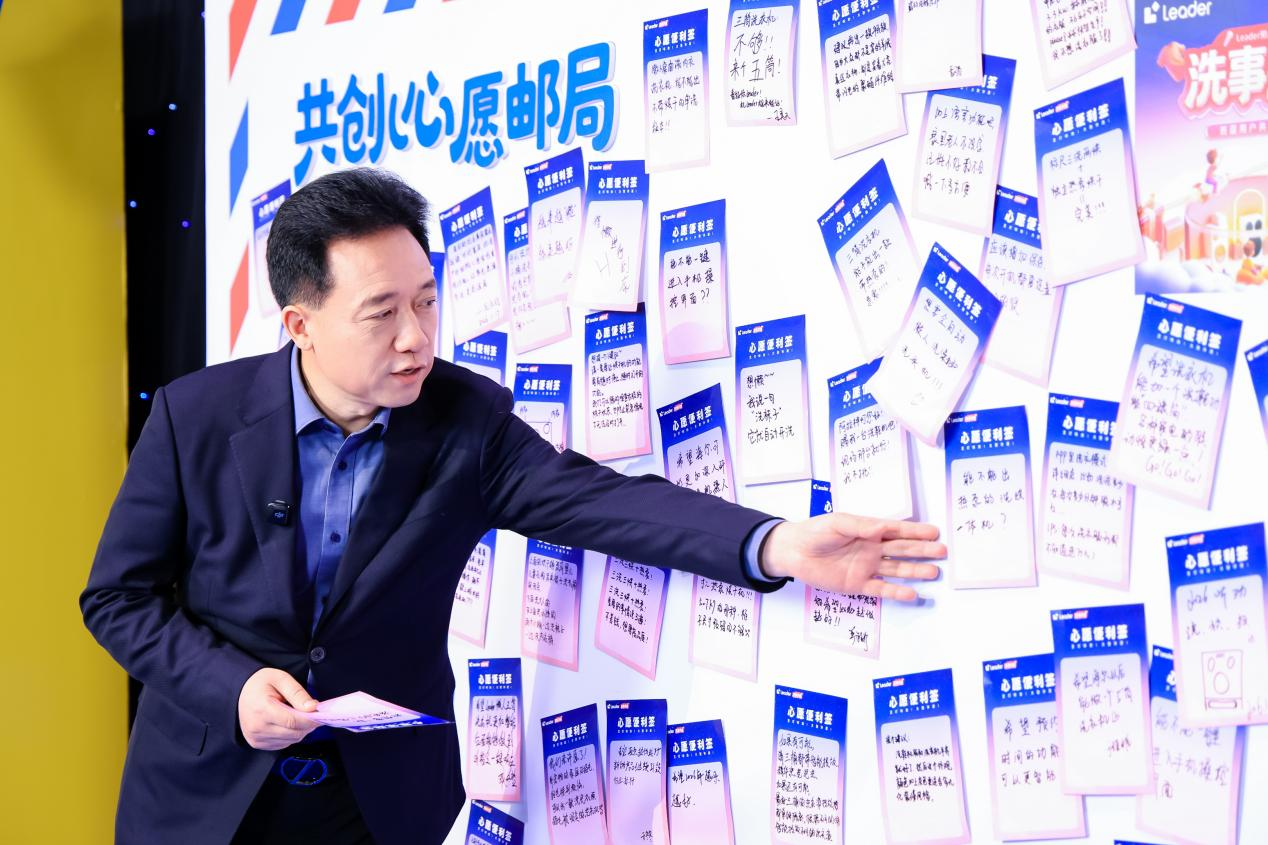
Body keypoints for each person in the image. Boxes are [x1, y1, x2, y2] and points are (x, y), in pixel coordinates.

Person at [81, 167, 944, 845]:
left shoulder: (466, 421)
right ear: (301, 323)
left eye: (426, 300)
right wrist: (231, 688)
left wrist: (775, 543)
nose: (417, 337)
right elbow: (117, 598)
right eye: (381, 314)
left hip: (378, 806)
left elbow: (602, 502)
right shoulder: (195, 418)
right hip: (202, 801)